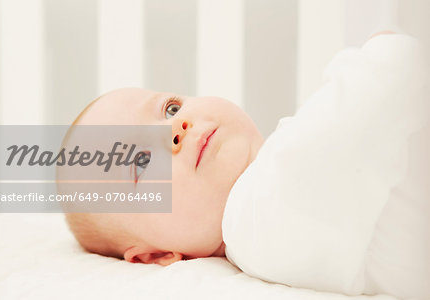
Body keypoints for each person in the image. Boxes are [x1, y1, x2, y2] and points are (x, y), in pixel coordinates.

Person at [62, 32, 429, 299]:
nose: (176, 128)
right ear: (156, 255)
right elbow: (373, 92)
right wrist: (384, 48)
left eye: (170, 109)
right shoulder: (258, 211)